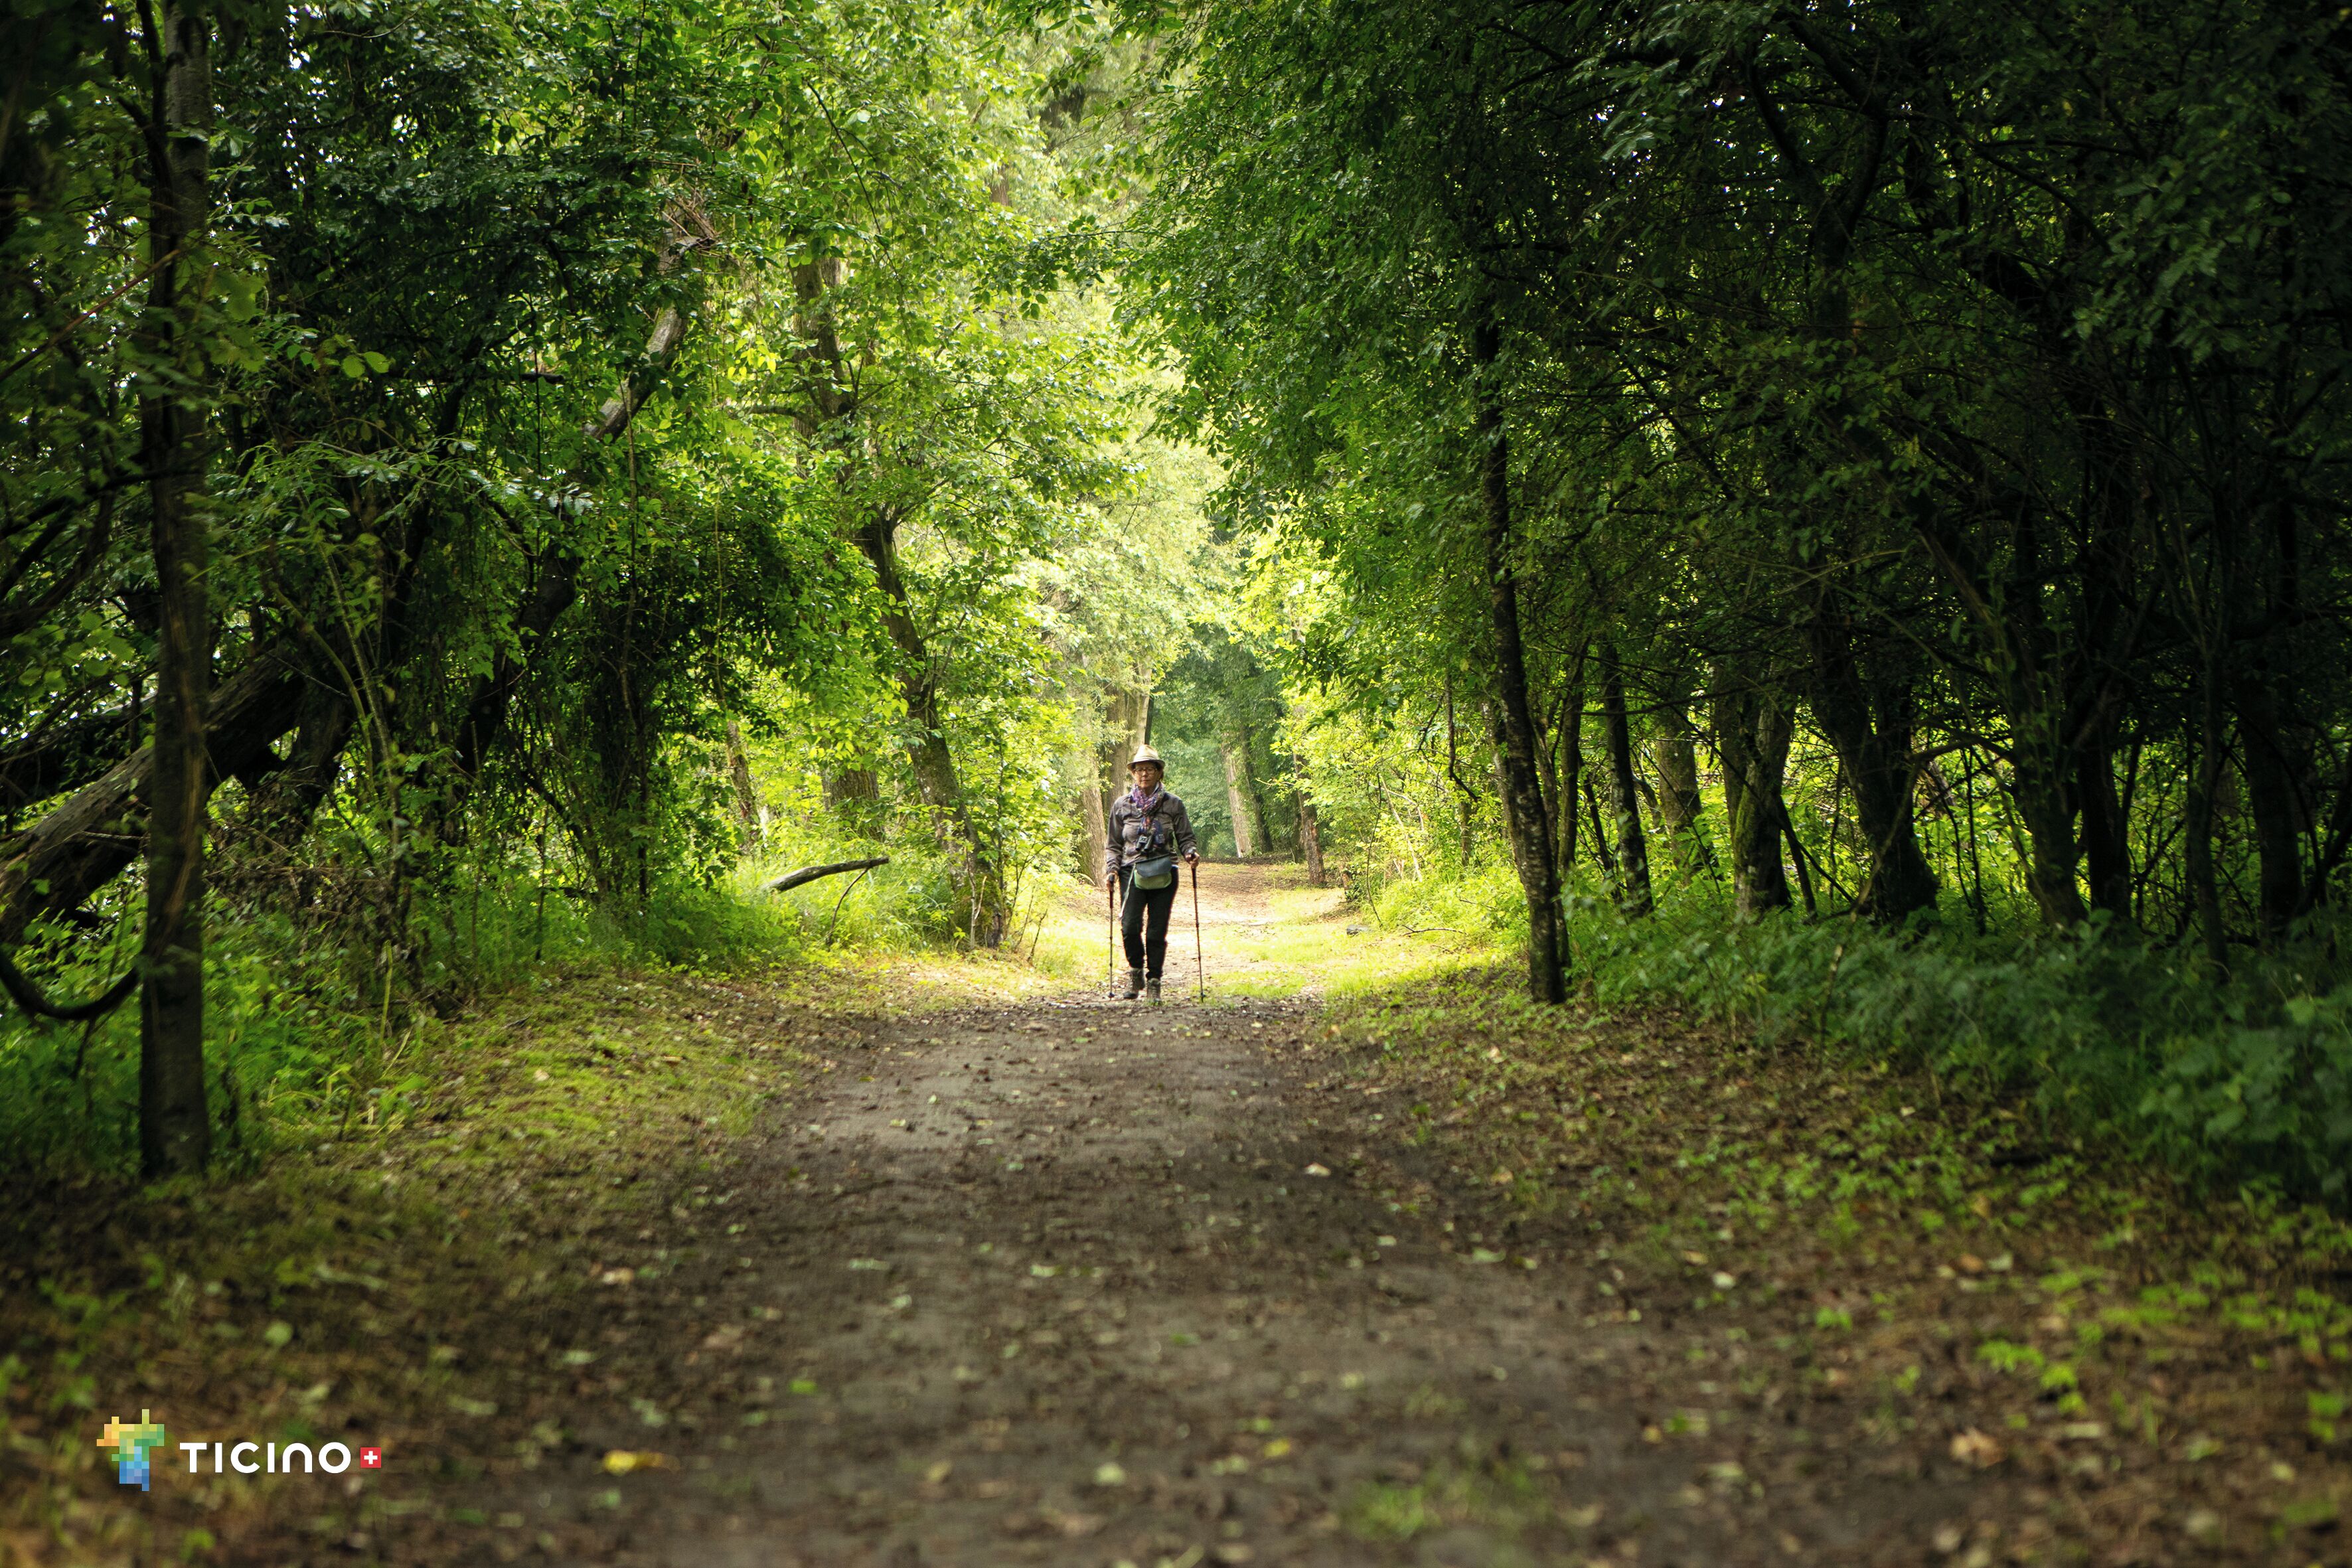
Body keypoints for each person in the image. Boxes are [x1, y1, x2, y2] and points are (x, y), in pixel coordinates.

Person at [1105, 745, 1200, 1002]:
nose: (1144, 774)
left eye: (1149, 769)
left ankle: (1154, 980)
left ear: (1159, 772)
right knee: (1129, 927)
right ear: (1133, 774)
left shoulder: (1173, 804)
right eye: (1139, 769)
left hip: (1164, 872)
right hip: (1131, 871)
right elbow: (1113, 843)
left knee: (1157, 932)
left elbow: (1185, 838)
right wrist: (1111, 870)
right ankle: (1136, 971)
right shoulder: (1122, 805)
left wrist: (1190, 853)